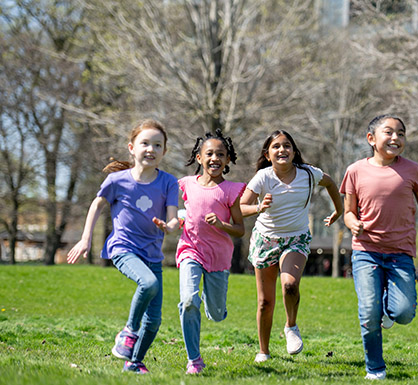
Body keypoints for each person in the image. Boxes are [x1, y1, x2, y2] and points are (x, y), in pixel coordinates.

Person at [67, 119, 180, 374]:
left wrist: (171, 226)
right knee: (148, 284)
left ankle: (134, 362)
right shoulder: (117, 181)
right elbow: (97, 205)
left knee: (154, 322)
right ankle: (128, 331)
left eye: (157, 145)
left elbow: (173, 216)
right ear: (132, 147)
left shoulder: (168, 183)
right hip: (123, 248)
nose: (150, 149)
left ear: (164, 151)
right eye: (145, 143)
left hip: (152, 254)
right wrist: (85, 239)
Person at [340, 114, 418, 380]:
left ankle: (387, 307)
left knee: (404, 313)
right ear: (371, 139)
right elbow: (347, 212)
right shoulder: (355, 170)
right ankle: (375, 367)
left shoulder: (411, 170)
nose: (396, 138)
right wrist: (353, 223)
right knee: (368, 312)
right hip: (365, 251)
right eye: (389, 132)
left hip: (401, 254)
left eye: (401, 133)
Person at [240, 130, 343, 363]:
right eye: (276, 146)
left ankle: (291, 326)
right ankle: (263, 351)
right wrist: (259, 208)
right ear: (268, 154)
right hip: (265, 239)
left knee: (290, 285)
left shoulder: (308, 174)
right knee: (265, 302)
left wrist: (339, 210)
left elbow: (331, 183)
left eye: (287, 146)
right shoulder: (262, 177)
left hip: (296, 238)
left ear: (294, 152)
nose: (282, 150)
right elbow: (241, 207)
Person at [175, 130, 245, 374]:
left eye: (220, 154)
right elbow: (181, 210)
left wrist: (221, 225)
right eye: (210, 153)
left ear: (227, 160)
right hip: (190, 251)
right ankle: (194, 359)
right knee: (188, 301)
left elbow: (240, 229)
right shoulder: (186, 184)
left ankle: (209, 303)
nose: (215, 158)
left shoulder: (230, 191)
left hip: (218, 258)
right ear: (199, 158)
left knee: (216, 315)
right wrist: (178, 220)